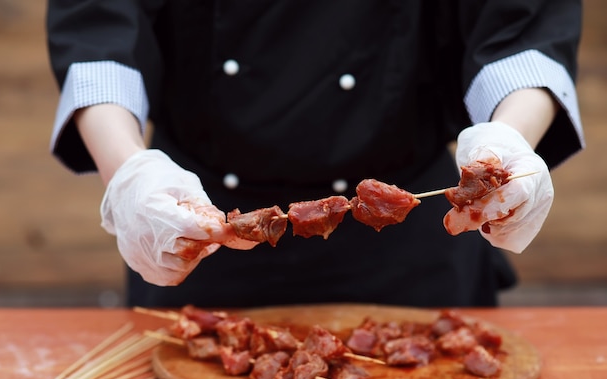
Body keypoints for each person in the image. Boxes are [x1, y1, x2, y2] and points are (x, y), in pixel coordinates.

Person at [46, 1, 584, 309]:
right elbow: (101, 25)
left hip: (411, 258)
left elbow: (520, 22)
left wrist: (507, 146)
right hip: (198, 237)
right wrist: (128, 173)